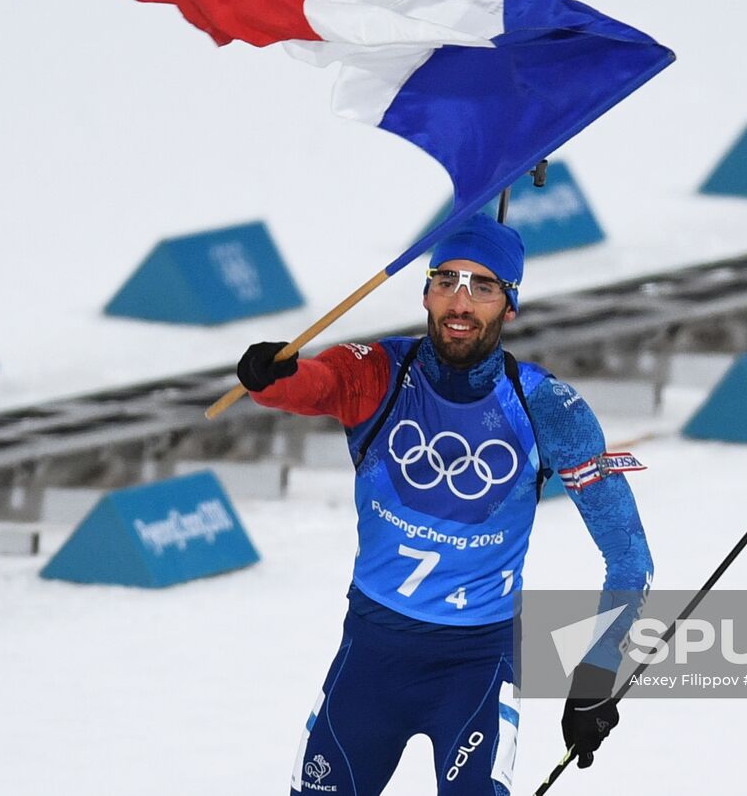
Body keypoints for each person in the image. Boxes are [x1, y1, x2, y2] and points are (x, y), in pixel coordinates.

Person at [237, 214, 654, 796]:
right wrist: (271, 375)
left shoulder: (547, 408)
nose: (461, 302)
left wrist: (596, 677)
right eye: (446, 281)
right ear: (425, 292)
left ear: (510, 304)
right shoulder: (379, 374)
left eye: (483, 286)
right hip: (372, 658)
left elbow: (630, 559)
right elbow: (314, 382)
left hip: (475, 667)